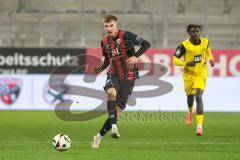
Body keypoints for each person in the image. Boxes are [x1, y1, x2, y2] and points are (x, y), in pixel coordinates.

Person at [91, 15, 151, 148]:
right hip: (114, 74)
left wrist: (136, 56)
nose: (108, 28)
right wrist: (100, 68)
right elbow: (107, 59)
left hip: (129, 77)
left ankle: (98, 136)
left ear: (116, 25)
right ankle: (114, 127)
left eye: (111, 25)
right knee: (111, 92)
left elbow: (146, 43)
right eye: (106, 26)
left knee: (117, 112)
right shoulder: (104, 41)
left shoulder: (127, 35)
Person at [173, 24, 215, 136]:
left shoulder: (205, 42)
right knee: (190, 98)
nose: (195, 34)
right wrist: (186, 63)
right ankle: (190, 111)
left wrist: (211, 60)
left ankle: (199, 127)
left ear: (200, 32)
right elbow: (175, 61)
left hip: (200, 73)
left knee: (199, 96)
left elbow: (208, 52)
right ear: (188, 33)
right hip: (188, 75)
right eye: (193, 32)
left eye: (197, 32)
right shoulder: (183, 45)